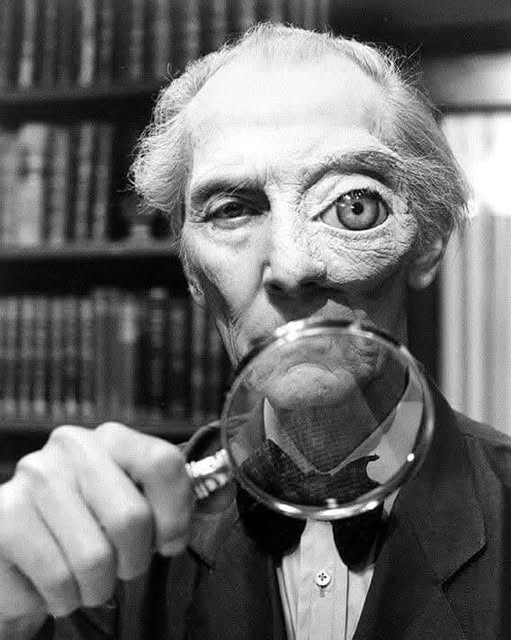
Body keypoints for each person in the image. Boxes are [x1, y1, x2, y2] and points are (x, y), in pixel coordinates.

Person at [1, 23, 511, 640]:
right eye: (233, 210)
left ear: (428, 241)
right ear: (192, 270)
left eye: (353, 205)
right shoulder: (118, 550)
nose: (292, 268)